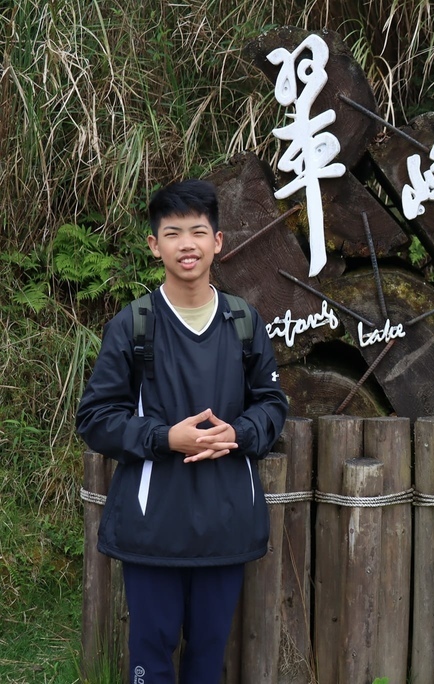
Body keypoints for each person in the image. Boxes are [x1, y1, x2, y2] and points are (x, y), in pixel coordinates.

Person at [76, 179, 288, 684]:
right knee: (151, 653)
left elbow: (272, 403)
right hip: (155, 526)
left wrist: (238, 433)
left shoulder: (243, 322)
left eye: (198, 231)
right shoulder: (134, 326)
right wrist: (165, 438)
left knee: (208, 656)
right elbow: (96, 418)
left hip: (226, 521)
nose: (186, 244)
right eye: (173, 233)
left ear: (218, 241)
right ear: (155, 245)